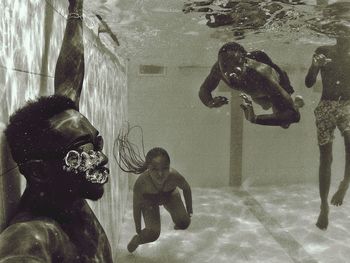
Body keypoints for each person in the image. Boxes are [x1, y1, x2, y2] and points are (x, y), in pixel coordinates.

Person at [0, 0, 113, 261]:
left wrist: (76, 8)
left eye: (97, 144)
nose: (102, 158)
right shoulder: (35, 236)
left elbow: (69, 82)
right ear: (39, 171)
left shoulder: (66, 187)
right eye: (86, 151)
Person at [115, 126, 192, 253]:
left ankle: (174, 214)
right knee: (153, 234)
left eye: (165, 168)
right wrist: (138, 229)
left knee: (184, 223)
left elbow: (186, 188)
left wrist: (189, 210)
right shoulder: (141, 183)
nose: (160, 174)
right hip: (149, 202)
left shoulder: (174, 176)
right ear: (148, 169)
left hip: (170, 196)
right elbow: (137, 206)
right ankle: (137, 240)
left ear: (169, 167)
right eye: (155, 169)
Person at [199, 42, 303, 128]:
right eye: (225, 67)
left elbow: (294, 116)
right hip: (257, 93)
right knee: (265, 105)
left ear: (245, 62)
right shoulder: (217, 70)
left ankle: (297, 103)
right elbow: (204, 90)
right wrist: (210, 102)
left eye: (235, 66)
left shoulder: (261, 75)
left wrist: (255, 119)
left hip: (277, 82)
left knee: (285, 123)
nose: (230, 73)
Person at [305, 37, 350, 230]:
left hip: (348, 106)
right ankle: (324, 205)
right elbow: (308, 83)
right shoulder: (323, 50)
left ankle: (344, 184)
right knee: (326, 158)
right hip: (325, 107)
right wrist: (315, 66)